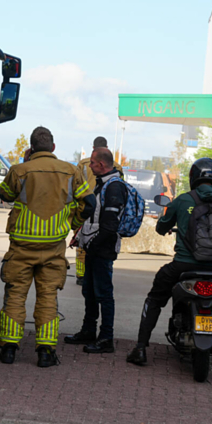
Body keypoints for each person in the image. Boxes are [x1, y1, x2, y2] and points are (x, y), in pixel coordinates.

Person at [126, 157, 212, 368]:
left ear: (193, 178)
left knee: (155, 298)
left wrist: (169, 224)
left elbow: (161, 227)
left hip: (183, 265)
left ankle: (140, 348)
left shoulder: (182, 201)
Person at [0, 126, 94, 368]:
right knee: (48, 298)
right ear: (53, 148)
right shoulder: (72, 172)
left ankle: (9, 349)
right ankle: (46, 352)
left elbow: (5, 195)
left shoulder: (19, 170)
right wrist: (74, 222)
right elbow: (90, 203)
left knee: (15, 296)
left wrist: (26, 166)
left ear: (30, 149)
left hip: (21, 247)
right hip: (53, 248)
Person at [64, 147, 131, 354]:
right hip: (93, 248)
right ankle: (88, 331)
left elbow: (110, 226)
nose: (90, 166)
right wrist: (82, 237)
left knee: (103, 293)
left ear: (101, 165)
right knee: (90, 291)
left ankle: (106, 338)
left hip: (102, 250)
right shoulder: (104, 185)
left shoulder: (114, 187)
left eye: (92, 163)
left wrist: (93, 244)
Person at [74, 136, 108, 285]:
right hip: (105, 212)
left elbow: (75, 186)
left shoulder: (83, 164)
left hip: (85, 208)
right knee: (103, 243)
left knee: (82, 243)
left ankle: (82, 275)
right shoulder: (116, 166)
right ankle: (101, 274)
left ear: (93, 148)